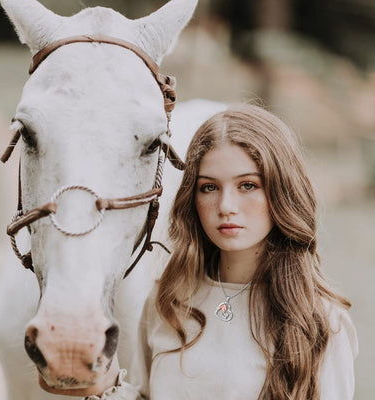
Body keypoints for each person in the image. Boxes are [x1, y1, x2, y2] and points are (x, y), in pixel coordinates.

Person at [87, 103, 358, 400]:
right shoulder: (167, 299)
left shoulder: (319, 320)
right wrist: (105, 383)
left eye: (247, 185)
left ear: (282, 190)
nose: (226, 206)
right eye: (209, 188)